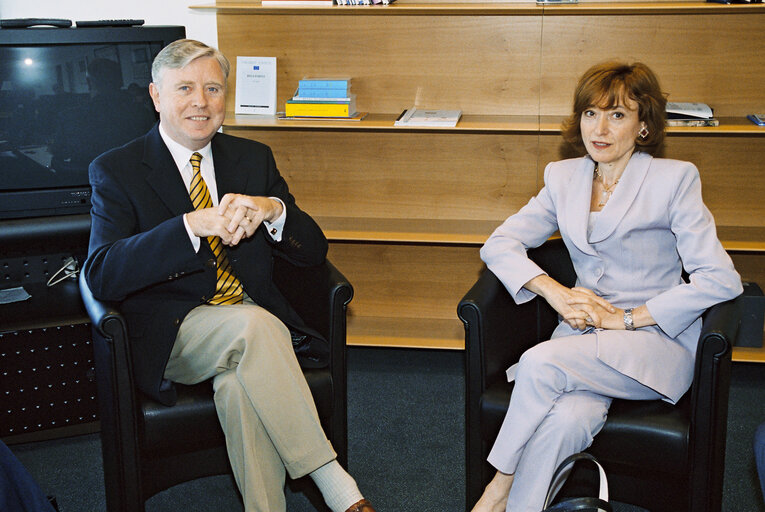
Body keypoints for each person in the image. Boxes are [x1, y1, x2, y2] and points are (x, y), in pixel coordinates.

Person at [81, 39, 375, 512]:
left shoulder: (252, 158)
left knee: (240, 386)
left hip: (249, 323)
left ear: (226, 98)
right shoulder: (116, 170)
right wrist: (188, 226)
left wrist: (273, 210)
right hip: (175, 330)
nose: (201, 101)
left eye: (213, 88)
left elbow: (314, 252)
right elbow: (102, 274)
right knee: (256, 326)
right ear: (156, 96)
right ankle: (332, 480)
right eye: (185, 88)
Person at [471, 61, 743, 512]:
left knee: (538, 364)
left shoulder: (674, 180)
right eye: (591, 114)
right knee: (566, 420)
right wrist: (555, 292)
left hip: (653, 339)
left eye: (618, 115)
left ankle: (496, 490)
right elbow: (500, 244)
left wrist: (626, 317)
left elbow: (721, 278)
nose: (601, 128)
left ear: (643, 125)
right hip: (581, 339)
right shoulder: (563, 178)